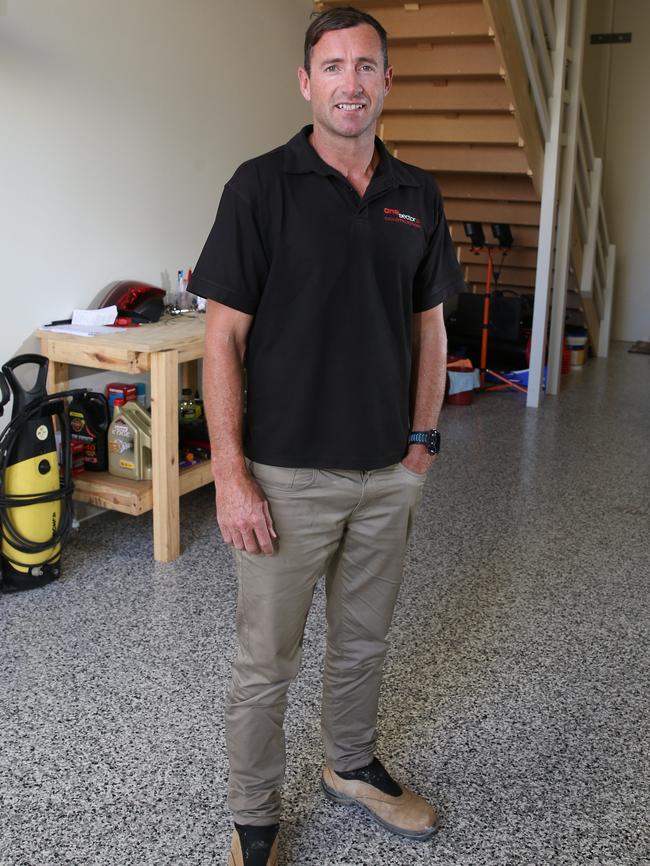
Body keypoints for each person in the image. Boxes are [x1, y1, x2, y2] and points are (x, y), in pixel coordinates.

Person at [189, 7, 465, 865]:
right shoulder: (260, 186)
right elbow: (222, 339)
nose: (352, 83)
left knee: (366, 637)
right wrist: (230, 475)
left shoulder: (417, 195)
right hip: (284, 478)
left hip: (388, 470)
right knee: (267, 657)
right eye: (334, 66)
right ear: (307, 82)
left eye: (367, 66)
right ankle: (254, 815)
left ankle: (350, 766)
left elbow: (431, 328)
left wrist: (421, 444)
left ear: (387, 82)